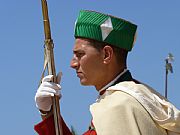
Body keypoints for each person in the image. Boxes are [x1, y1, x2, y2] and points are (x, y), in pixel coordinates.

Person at [34, 10, 180, 135]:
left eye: (80, 54)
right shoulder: (132, 98)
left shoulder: (119, 106)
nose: (72, 64)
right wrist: (49, 113)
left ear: (106, 55)